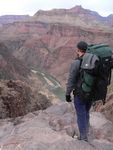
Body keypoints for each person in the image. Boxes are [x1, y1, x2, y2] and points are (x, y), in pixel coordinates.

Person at [65, 41, 92, 141]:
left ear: (78, 50)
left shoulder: (76, 62)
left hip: (80, 94)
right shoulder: (93, 61)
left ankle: (83, 137)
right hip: (91, 93)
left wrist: (67, 94)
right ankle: (86, 132)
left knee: (81, 114)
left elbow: (71, 80)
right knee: (86, 112)